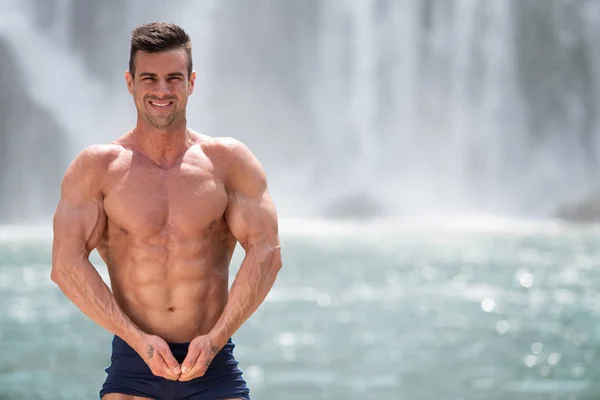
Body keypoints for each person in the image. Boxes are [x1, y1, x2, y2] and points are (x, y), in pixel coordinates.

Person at [51, 22, 282, 400]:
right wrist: (138, 340)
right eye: (149, 78)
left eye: (174, 78)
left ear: (192, 82)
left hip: (214, 362)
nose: (162, 90)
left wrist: (214, 341)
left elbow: (267, 252)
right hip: (133, 365)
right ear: (130, 82)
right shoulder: (98, 168)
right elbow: (65, 264)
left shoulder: (227, 162)